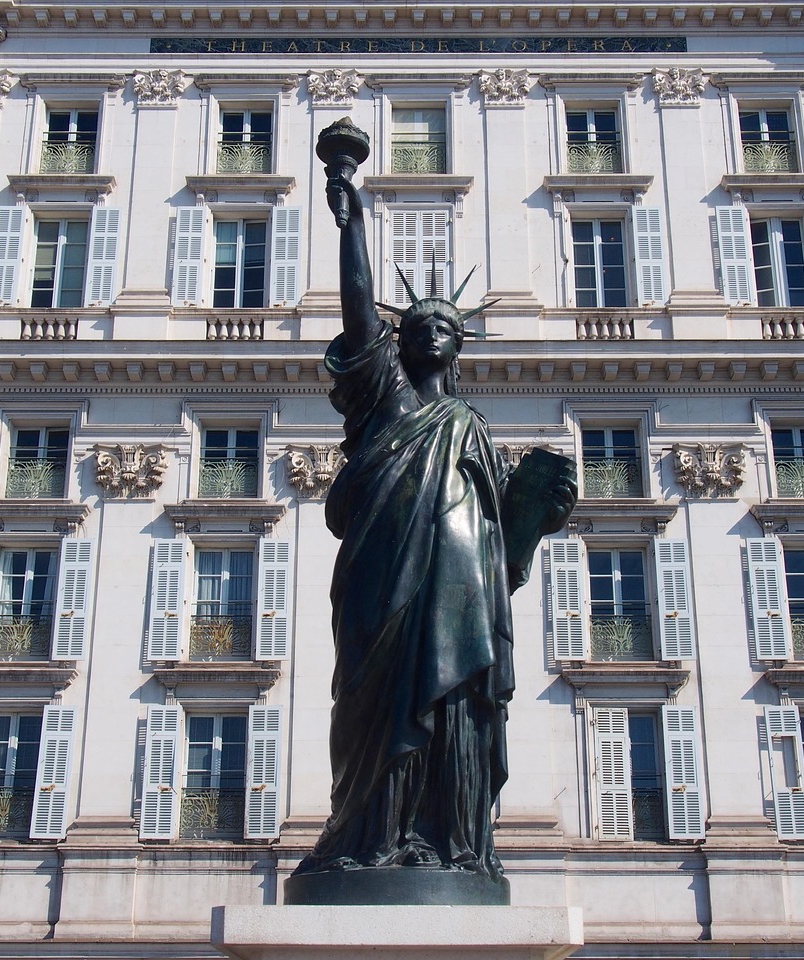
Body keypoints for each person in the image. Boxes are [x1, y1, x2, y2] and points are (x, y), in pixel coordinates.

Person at [292, 172, 575, 885]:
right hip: (383, 581)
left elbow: (502, 544)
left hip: (464, 591)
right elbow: (360, 317)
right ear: (403, 343)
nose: (434, 333)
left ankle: (449, 843)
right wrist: (350, 224)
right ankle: (368, 837)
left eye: (446, 327)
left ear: (460, 345)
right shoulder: (383, 401)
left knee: (457, 716)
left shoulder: (472, 426)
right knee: (374, 709)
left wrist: (539, 516)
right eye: (420, 327)